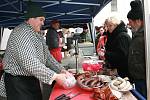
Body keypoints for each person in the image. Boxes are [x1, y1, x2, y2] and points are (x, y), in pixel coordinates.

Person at [0, 1, 72, 100]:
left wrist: (61, 70)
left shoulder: (37, 35)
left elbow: (47, 58)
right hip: (17, 83)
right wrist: (55, 76)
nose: (43, 23)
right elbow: (28, 62)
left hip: (31, 80)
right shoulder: (21, 32)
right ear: (31, 18)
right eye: (41, 19)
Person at [127, 0, 147, 98]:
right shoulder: (137, 35)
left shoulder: (146, 37)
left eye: (130, 22)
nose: (129, 24)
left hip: (144, 80)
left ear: (138, 21)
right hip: (138, 79)